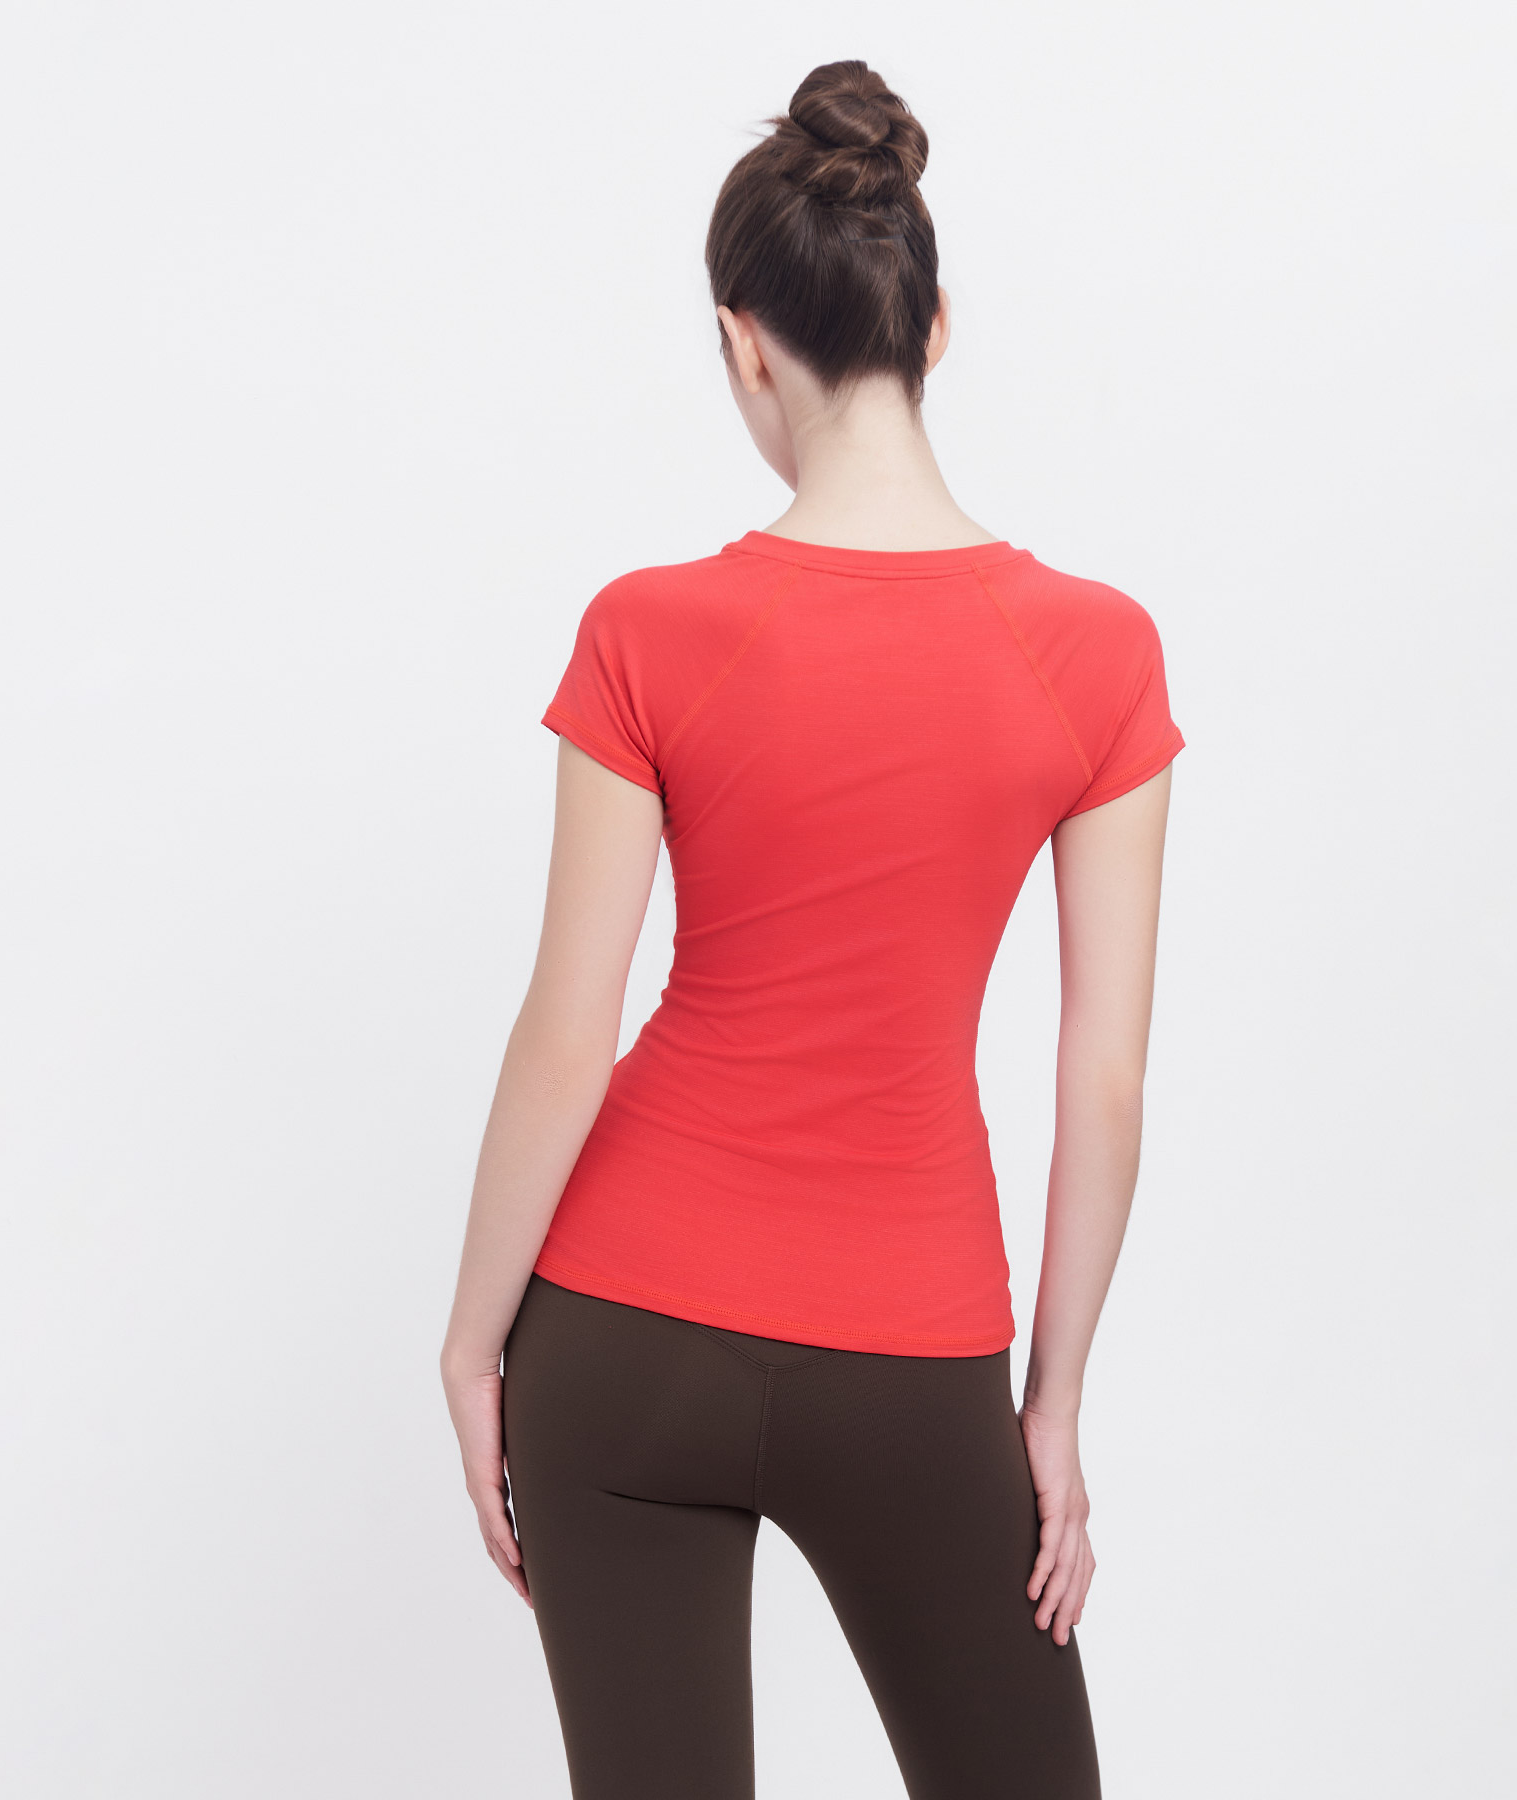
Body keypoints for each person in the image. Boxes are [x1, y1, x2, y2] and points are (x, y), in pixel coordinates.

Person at [440, 58, 1184, 1800]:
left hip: (618, 1332)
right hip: (912, 1349)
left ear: (743, 346)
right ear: (936, 332)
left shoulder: (648, 630)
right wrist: (1053, 1406)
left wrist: (475, 1341)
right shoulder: (1097, 652)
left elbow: (568, 1027)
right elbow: (1105, 1080)